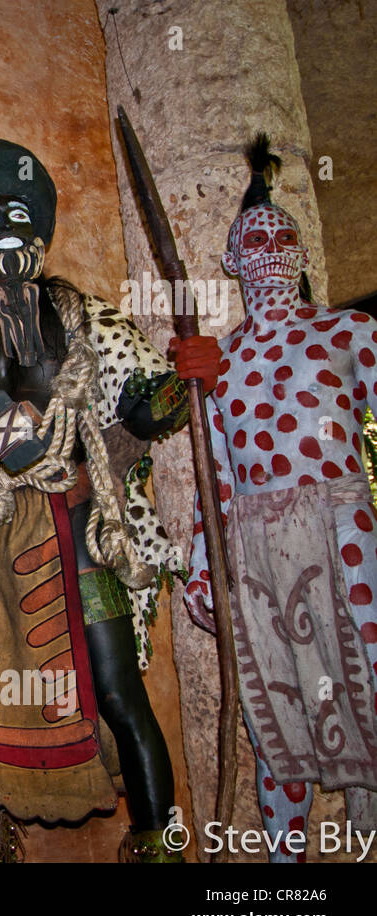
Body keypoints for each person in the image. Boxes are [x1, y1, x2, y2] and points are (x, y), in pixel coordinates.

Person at [0, 140, 219, 860]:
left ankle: (160, 843)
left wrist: (179, 383)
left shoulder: (81, 320)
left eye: (17, 212)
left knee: (113, 685)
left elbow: (142, 404)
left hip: (75, 524)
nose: (5, 227)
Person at [182, 137, 377, 861]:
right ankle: (282, 873)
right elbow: (218, 482)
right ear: (232, 261)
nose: (267, 245)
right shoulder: (218, 362)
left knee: (371, 679)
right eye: (252, 237)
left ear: (300, 254)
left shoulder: (351, 332)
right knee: (276, 716)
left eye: (280, 235)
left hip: (342, 522)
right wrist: (205, 568)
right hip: (257, 540)